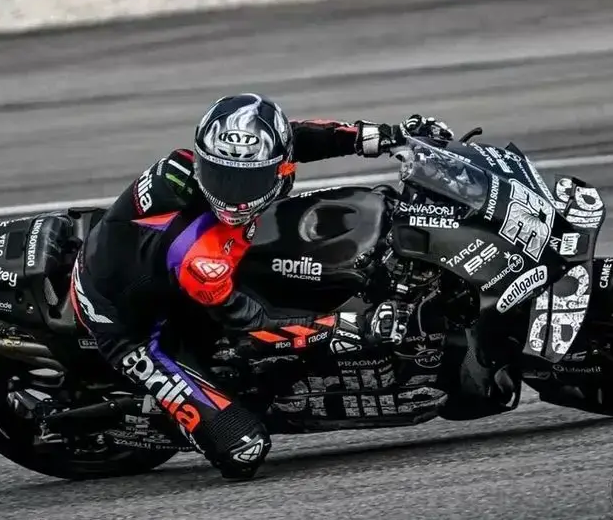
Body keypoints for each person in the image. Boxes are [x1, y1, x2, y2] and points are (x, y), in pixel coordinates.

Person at [70, 93, 456, 480]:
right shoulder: (200, 255)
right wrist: (349, 327)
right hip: (129, 326)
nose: (233, 197)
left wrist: (387, 136)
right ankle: (177, 409)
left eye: (247, 180)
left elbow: (296, 138)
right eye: (222, 177)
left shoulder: (192, 165)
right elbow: (254, 325)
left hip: (146, 268)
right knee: (244, 452)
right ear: (203, 162)